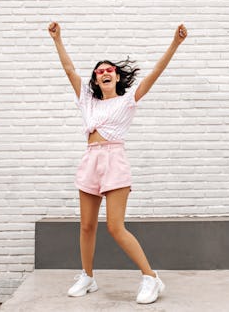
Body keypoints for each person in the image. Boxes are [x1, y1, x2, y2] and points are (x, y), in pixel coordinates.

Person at [47, 21, 187, 304]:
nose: (105, 72)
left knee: (115, 226)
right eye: (100, 71)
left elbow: (155, 74)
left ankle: (151, 277)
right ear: (96, 80)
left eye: (110, 69)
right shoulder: (87, 100)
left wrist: (175, 43)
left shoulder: (128, 100)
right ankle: (87, 276)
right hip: (90, 161)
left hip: (114, 160)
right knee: (86, 226)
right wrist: (57, 39)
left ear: (117, 77)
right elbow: (69, 70)